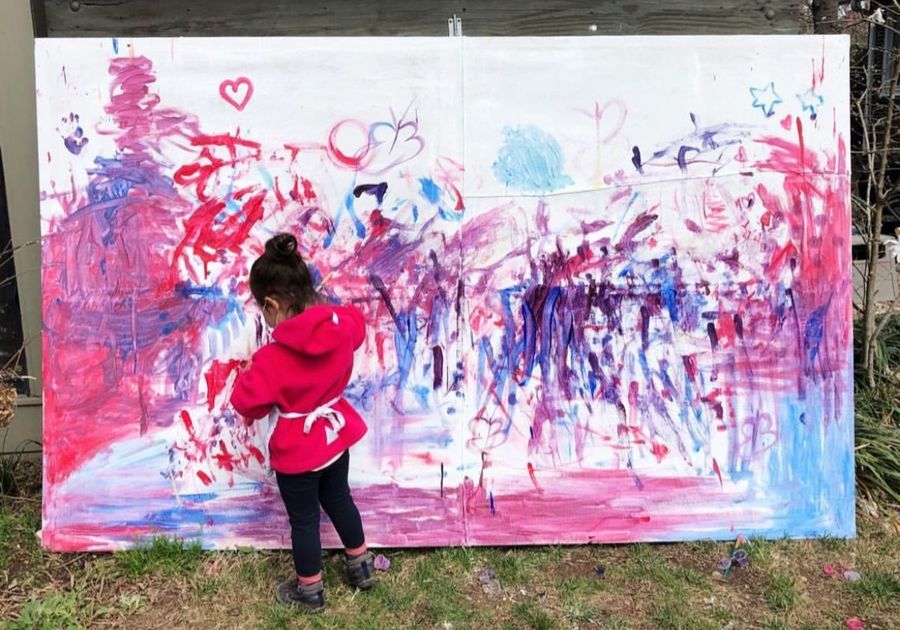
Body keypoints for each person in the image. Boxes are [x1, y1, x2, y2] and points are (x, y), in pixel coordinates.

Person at [230, 232, 375, 612]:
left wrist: (248, 373)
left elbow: (247, 403)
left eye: (262, 310)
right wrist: (329, 313)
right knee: (340, 498)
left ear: (273, 304)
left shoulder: (271, 359)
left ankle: (309, 590)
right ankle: (361, 564)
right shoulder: (341, 325)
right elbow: (358, 327)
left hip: (298, 453)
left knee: (305, 520)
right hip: (334, 438)